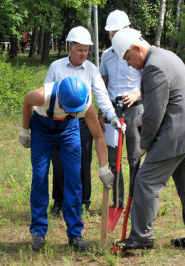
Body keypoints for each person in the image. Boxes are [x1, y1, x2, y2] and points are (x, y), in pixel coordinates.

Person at [111, 28, 185, 249]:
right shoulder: (165, 55)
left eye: (128, 58)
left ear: (137, 48)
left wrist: (142, 146)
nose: (129, 64)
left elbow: (154, 114)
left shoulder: (154, 67)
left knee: (145, 182)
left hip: (176, 132)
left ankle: (142, 237)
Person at [18, 76, 114, 251]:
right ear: (60, 100)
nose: (73, 114)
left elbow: (98, 137)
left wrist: (103, 168)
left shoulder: (84, 104)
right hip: (42, 130)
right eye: (69, 109)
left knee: (74, 180)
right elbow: (26, 101)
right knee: (39, 177)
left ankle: (75, 234)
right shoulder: (42, 96)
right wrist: (25, 130)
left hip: (68, 132)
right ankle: (38, 232)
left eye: (75, 111)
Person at [45, 26, 122, 216]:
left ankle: (83, 202)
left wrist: (111, 117)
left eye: (87, 50)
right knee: (60, 163)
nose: (84, 54)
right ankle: (59, 202)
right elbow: (47, 93)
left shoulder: (91, 70)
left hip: (83, 123)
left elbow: (102, 95)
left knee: (83, 162)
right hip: (60, 121)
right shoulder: (57, 67)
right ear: (70, 47)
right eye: (80, 50)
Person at [99, 10, 143, 208]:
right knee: (113, 159)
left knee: (134, 157)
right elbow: (103, 85)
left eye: (117, 32)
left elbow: (150, 81)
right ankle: (117, 202)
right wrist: (102, 111)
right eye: (111, 33)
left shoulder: (138, 51)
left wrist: (136, 94)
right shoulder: (107, 56)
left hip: (134, 110)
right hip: (112, 111)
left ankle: (135, 201)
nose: (114, 37)